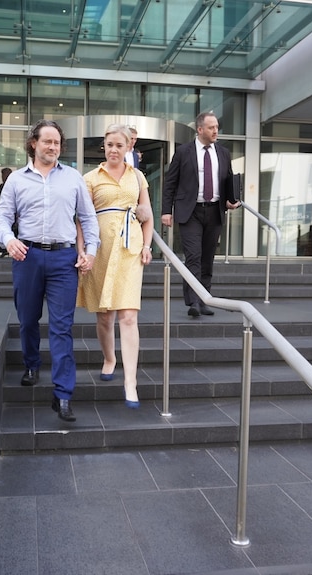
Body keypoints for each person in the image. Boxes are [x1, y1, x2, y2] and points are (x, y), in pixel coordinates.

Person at [0, 120, 100, 422]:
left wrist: (90, 252)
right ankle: (31, 363)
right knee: (28, 319)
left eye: (57, 143)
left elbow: (88, 219)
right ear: (33, 144)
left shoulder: (73, 179)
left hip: (63, 259)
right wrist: (9, 239)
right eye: (47, 142)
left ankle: (63, 394)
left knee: (62, 327)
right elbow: (1, 218)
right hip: (26, 256)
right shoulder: (16, 180)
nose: (52, 147)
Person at [77, 124, 153, 409]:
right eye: (109, 145)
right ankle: (109, 358)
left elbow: (147, 216)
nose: (113, 150)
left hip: (130, 249)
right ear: (104, 146)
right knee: (104, 317)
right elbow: (81, 220)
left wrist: (147, 246)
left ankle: (130, 382)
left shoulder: (138, 177)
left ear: (128, 148)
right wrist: (82, 251)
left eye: (119, 145)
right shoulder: (90, 178)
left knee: (129, 317)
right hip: (101, 250)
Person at [161, 111, 241, 318]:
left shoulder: (223, 153)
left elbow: (228, 179)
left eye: (216, 127)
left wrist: (231, 200)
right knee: (193, 256)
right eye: (211, 127)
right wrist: (165, 211)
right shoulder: (183, 152)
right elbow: (170, 183)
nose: (216, 131)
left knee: (207, 258)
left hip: (215, 211)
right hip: (190, 212)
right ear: (200, 129)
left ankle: (205, 299)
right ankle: (194, 301)